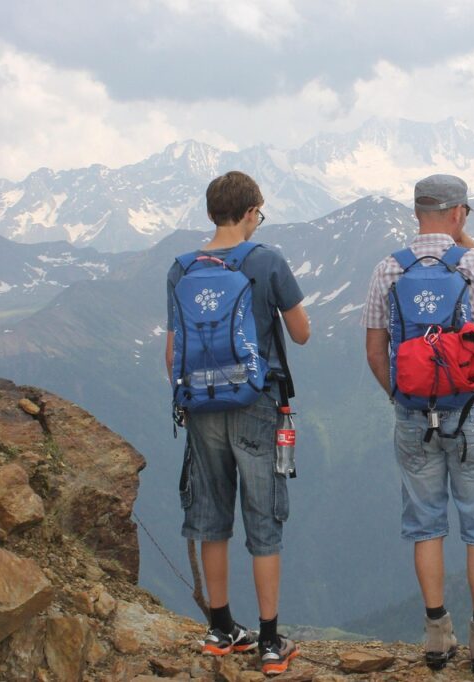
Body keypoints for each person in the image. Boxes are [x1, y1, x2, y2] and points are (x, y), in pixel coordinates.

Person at [361, 174, 474, 674]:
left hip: (412, 415)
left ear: (416, 213)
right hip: (471, 412)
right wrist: (468, 244)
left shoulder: (388, 269)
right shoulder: (473, 263)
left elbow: (375, 349)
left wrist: (403, 398)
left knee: (425, 524)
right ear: (458, 213)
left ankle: (435, 634)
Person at [165, 171, 310, 676]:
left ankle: (220, 629)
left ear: (211, 213)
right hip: (257, 403)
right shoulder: (265, 259)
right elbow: (302, 332)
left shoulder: (182, 269)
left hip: (201, 404)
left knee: (210, 519)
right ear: (250, 212)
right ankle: (270, 642)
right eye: (259, 213)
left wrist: (197, 393)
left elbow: (173, 352)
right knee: (263, 520)